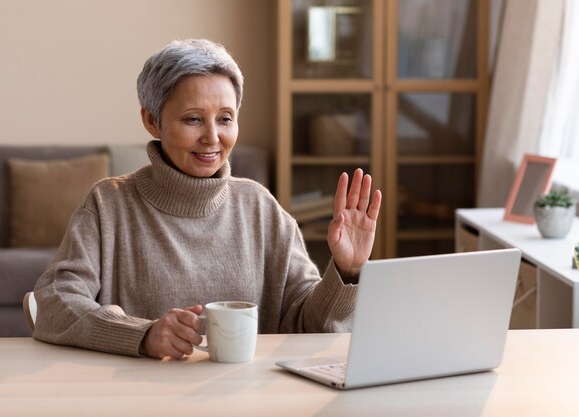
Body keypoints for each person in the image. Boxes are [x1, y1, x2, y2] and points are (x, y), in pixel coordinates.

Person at [33, 39, 382, 359]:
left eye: (225, 119)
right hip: (135, 398)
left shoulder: (260, 208)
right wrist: (143, 335)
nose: (212, 138)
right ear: (152, 121)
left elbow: (310, 326)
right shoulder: (108, 205)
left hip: (248, 398)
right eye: (194, 119)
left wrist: (346, 271)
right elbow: (54, 301)